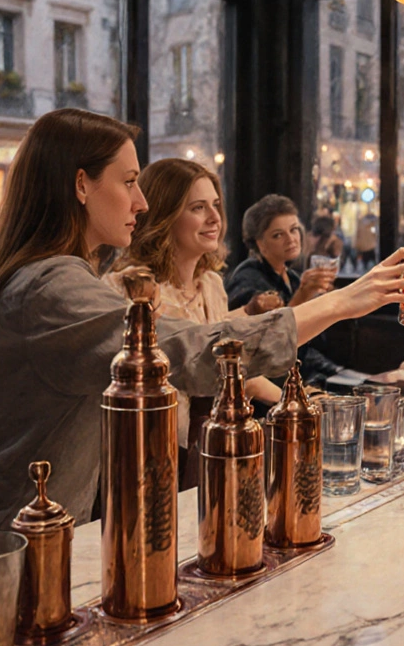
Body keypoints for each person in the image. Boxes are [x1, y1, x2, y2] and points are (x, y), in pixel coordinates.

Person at [0, 109, 404, 590]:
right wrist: (343, 301)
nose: (141, 202)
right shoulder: (49, 286)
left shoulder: (45, 274)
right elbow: (188, 353)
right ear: (80, 185)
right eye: (129, 181)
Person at [103, 158, 282, 451]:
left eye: (215, 205)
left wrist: (298, 398)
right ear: (164, 216)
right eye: (198, 208)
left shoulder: (211, 285)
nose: (214, 218)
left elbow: (225, 371)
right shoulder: (128, 287)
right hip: (146, 451)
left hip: (202, 451)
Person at [225, 194, 345, 387]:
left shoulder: (293, 276)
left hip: (305, 372)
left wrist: (320, 300)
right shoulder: (247, 278)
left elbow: (312, 343)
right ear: (260, 244)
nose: (291, 239)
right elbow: (266, 347)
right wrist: (303, 295)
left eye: (294, 230)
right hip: (271, 385)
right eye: (278, 235)